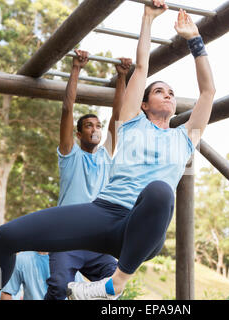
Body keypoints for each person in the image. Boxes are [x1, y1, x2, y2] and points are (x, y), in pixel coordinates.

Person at [0, 0, 215, 300]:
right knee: (5, 237)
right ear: (142, 102)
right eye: (159, 91)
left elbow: (208, 92)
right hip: (103, 213)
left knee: (160, 191)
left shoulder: (186, 137)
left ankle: (116, 282)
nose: (167, 95)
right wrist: (147, 18)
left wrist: (194, 39)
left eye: (172, 93)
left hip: (141, 231)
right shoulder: (131, 122)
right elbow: (141, 67)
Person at [44, 50, 132, 300]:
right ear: (79, 134)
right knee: (59, 288)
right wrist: (76, 69)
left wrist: (121, 77)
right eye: (88, 125)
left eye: (97, 125)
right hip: (66, 240)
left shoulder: (105, 156)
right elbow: (66, 108)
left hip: (96, 242)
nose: (95, 129)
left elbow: (118, 116)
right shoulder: (70, 153)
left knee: (116, 284)